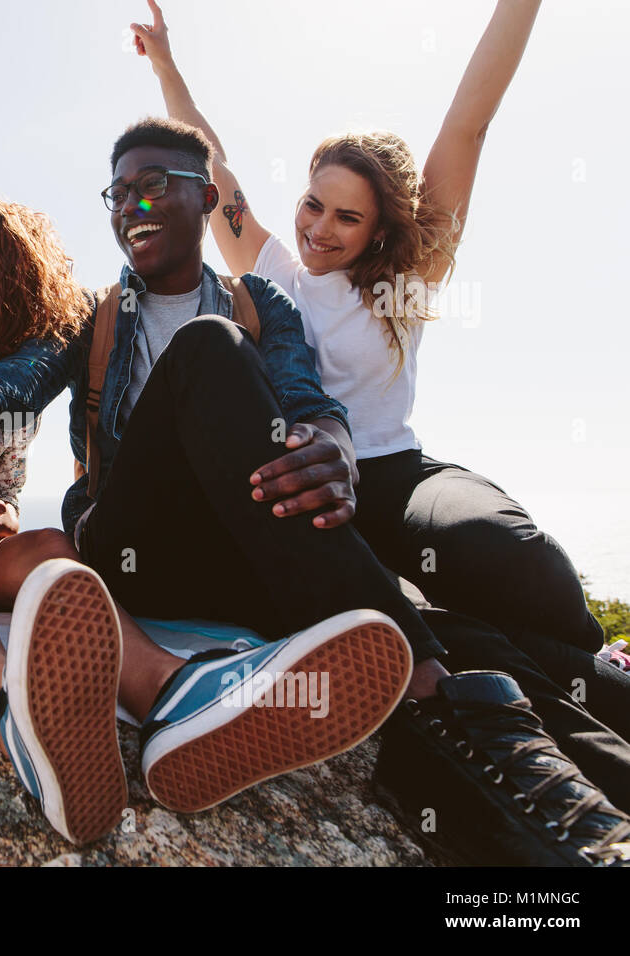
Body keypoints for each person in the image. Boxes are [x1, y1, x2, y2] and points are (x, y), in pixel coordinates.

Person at [0, 115, 630, 865]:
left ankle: (571, 812)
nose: (133, 204)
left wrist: (328, 447)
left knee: (493, 650)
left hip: (242, 555)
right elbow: (2, 392)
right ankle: (430, 696)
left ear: (208, 195)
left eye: (155, 183)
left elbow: (311, 404)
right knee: (208, 357)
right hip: (136, 549)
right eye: (119, 192)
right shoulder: (98, 319)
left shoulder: (258, 304)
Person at [127, 0, 630, 740]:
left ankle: (600, 657)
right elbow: (210, 158)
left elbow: (469, 122)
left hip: (397, 476)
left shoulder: (408, 280)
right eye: (312, 205)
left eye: (346, 218)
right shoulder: (274, 268)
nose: (319, 230)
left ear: (380, 228)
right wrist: (167, 64)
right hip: (322, 489)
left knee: (509, 551)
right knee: (455, 633)